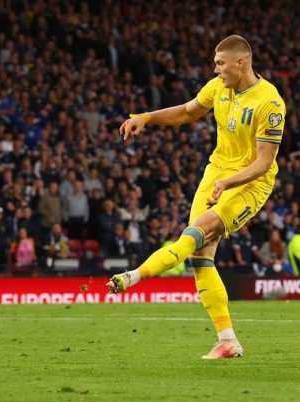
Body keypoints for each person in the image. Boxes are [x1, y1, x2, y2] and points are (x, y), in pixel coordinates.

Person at [109, 35, 286, 359]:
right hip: (216, 174)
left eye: (220, 63)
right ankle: (227, 340)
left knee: (198, 231)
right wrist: (146, 117)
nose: (215, 69)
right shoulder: (217, 87)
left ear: (240, 63)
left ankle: (134, 276)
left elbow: (263, 162)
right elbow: (187, 112)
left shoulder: (269, 103)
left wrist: (229, 182)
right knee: (200, 255)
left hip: (250, 183)